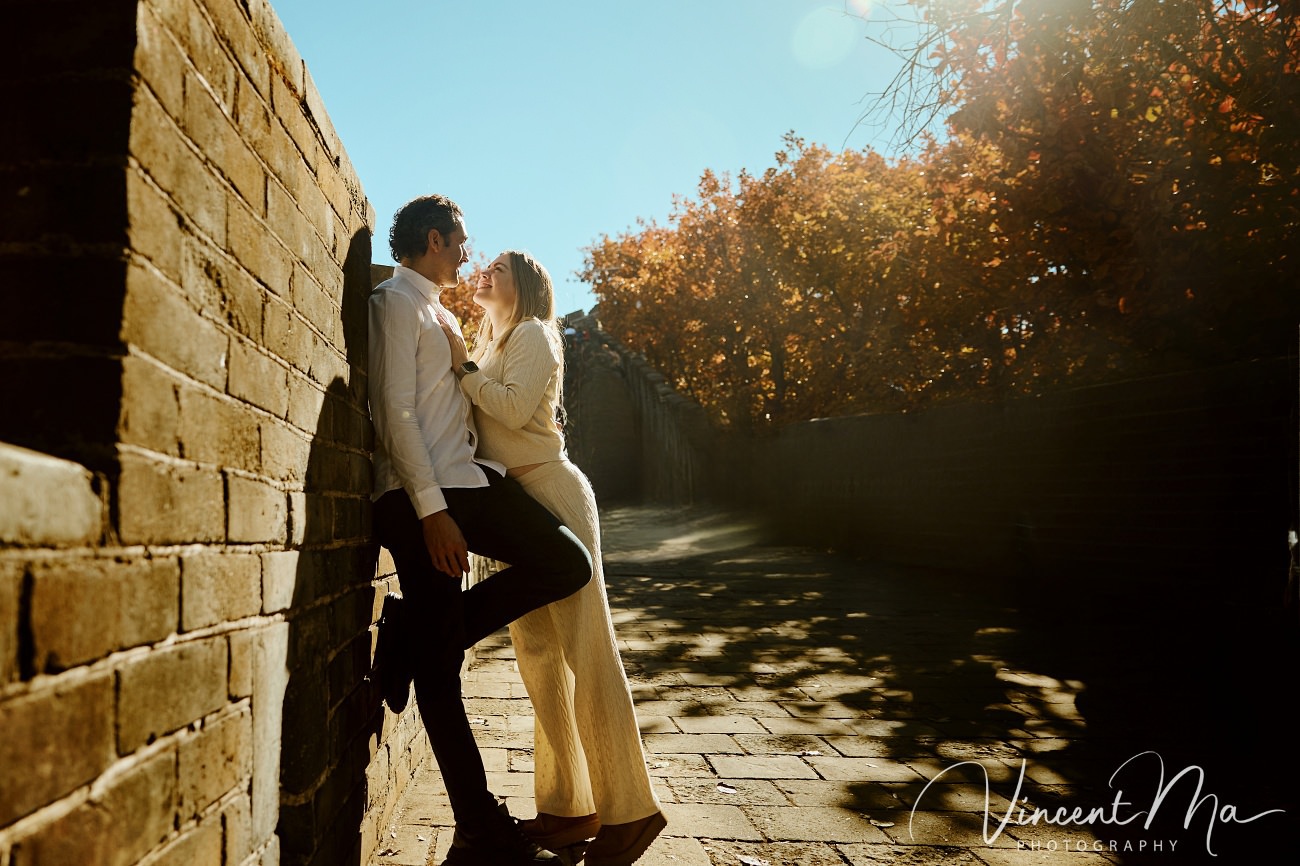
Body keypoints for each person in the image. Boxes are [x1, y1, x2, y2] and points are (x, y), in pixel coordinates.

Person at [368, 195, 594, 865]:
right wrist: (432, 510)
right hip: (429, 499)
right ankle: (479, 828)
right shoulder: (395, 306)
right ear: (434, 240)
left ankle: (408, 637)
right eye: (461, 242)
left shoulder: (438, 313)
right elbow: (396, 413)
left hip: (468, 482)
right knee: (443, 673)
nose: (468, 253)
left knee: (564, 564)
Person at [440, 250, 667, 866]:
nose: (483, 274)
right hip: (519, 508)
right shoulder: (494, 338)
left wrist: (463, 370)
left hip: (555, 495)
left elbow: (512, 409)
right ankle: (570, 806)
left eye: (499, 270)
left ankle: (632, 810)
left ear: (527, 285)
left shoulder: (535, 332)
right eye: (481, 268)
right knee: (538, 657)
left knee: (587, 650)